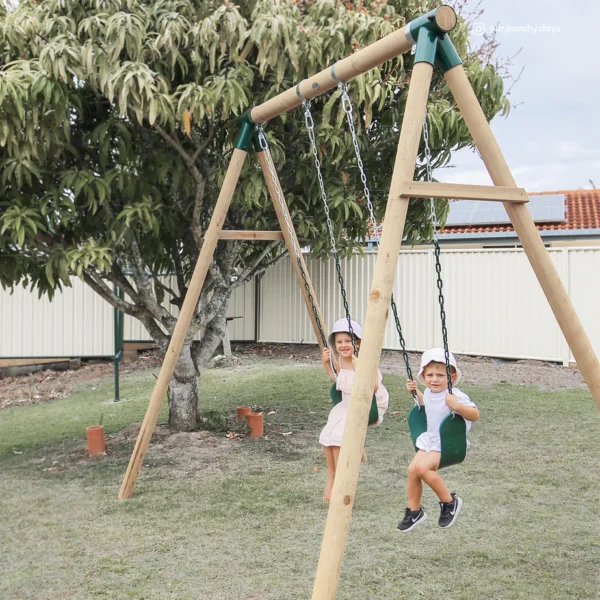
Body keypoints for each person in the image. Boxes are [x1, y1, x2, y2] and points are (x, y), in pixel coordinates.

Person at [397, 348, 479, 532]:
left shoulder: (454, 394)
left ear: (452, 377)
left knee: (423, 468)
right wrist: (415, 392)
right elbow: (427, 406)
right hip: (431, 439)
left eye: (440, 375)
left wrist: (457, 406)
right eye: (430, 375)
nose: (435, 379)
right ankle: (415, 512)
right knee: (412, 470)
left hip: (448, 440)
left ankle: (449, 502)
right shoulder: (428, 392)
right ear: (423, 376)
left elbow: (475, 414)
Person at [319, 318, 389, 502]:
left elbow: (372, 387)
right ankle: (332, 476)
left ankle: (342, 481)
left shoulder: (365, 360)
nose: (343, 345)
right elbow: (338, 381)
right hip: (347, 403)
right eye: (339, 342)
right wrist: (327, 364)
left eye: (348, 341)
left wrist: (360, 368)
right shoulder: (341, 359)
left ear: (357, 342)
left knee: (340, 437)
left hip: (367, 404)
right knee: (328, 436)